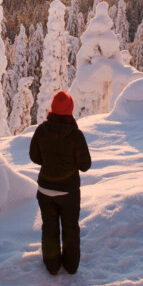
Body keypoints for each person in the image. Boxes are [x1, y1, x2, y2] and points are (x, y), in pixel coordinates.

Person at [29, 90, 91, 275]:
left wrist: (49, 163)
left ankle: (52, 266)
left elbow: (34, 156)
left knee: (49, 226)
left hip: (45, 189)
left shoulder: (41, 130)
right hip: (68, 192)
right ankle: (71, 266)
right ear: (70, 110)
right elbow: (85, 165)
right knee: (70, 227)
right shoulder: (75, 134)